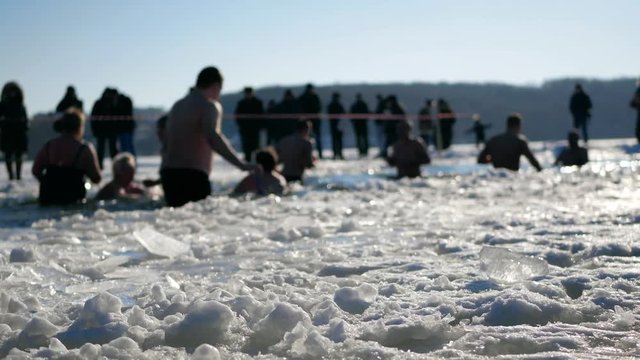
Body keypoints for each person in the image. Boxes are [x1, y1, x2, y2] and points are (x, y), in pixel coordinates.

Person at [160, 66, 255, 207]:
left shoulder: (177, 106)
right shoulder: (209, 106)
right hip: (193, 175)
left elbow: (165, 143)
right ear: (216, 86)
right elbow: (212, 136)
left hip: (168, 174)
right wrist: (240, 164)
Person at [32, 109, 102, 205]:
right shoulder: (85, 149)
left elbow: (35, 170)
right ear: (80, 126)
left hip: (48, 197)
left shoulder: (49, 146)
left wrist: (48, 183)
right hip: (73, 198)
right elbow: (96, 178)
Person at [477, 113, 542, 172]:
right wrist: (541, 171)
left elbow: (480, 160)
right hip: (513, 175)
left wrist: (494, 159)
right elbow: (532, 161)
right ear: (518, 126)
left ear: (507, 125)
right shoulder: (520, 141)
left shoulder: (493, 140)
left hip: (496, 175)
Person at [0, 82, 29, 180]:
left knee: (18, 155)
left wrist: (25, 126)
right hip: (7, 132)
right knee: (8, 155)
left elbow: (25, 119)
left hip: (19, 132)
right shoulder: (3, 105)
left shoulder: (20, 105)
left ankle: (18, 175)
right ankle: (11, 176)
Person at [90, 88, 120, 169]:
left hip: (108, 130)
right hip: (103, 130)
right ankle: (100, 165)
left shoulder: (110, 103)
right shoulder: (100, 103)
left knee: (111, 149)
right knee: (102, 149)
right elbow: (94, 117)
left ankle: (113, 164)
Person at [234, 87, 265, 161]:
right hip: (245, 130)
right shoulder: (241, 103)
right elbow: (237, 116)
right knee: (246, 148)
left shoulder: (258, 103)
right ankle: (248, 162)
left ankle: (258, 162)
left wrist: (260, 126)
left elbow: (262, 115)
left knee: (256, 147)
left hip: (255, 130)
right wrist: (241, 125)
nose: (248, 95)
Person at [298, 84, 323, 158]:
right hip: (306, 122)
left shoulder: (314, 97)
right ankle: (307, 155)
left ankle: (319, 154)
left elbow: (319, 108)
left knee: (316, 139)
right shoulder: (306, 97)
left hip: (314, 121)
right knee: (305, 139)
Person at [117, 91, 136, 157]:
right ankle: (131, 160)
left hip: (124, 128)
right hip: (128, 128)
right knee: (128, 146)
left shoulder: (120, 104)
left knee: (125, 147)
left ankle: (127, 160)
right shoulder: (127, 101)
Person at [327, 92, 346, 160]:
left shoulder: (332, 105)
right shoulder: (337, 105)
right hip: (337, 126)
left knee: (336, 141)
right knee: (337, 141)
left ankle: (337, 154)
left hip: (336, 126)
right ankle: (337, 154)